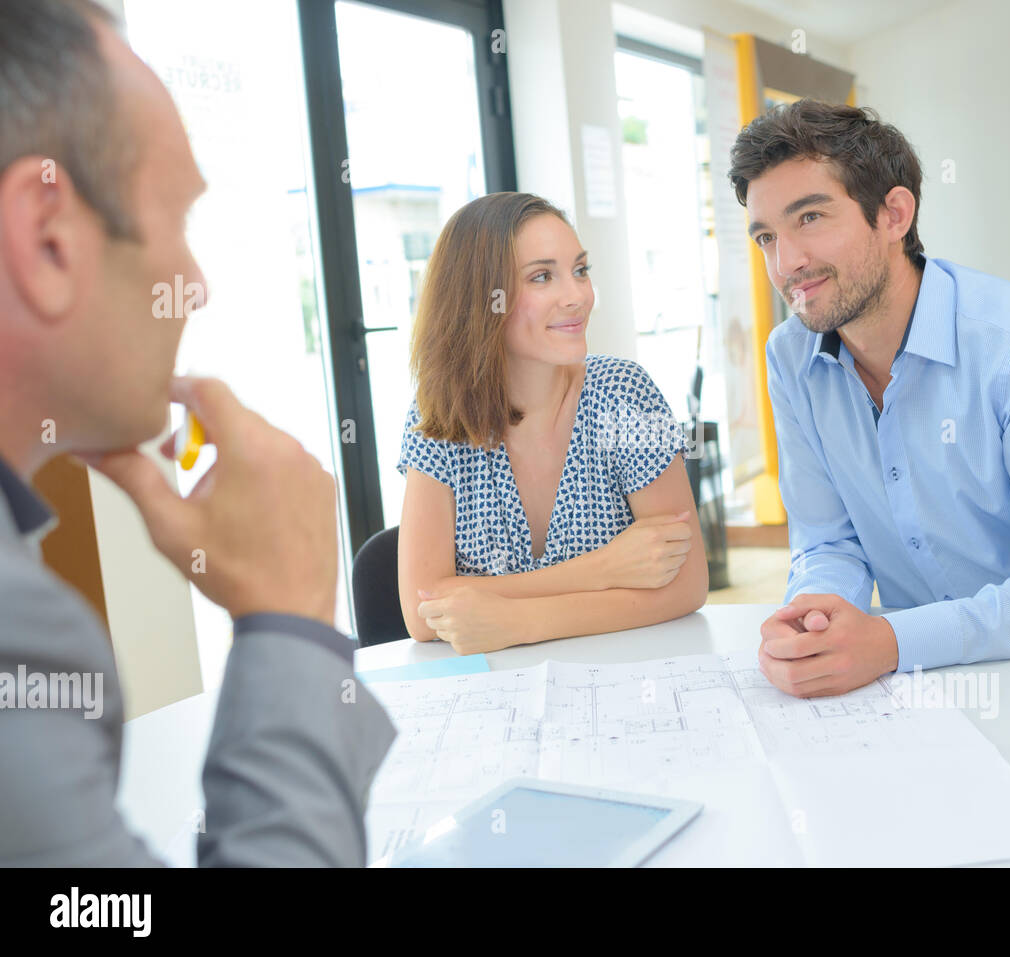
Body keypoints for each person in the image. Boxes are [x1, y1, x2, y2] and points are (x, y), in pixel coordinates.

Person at [0, 0, 394, 865]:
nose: (198, 284)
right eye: (177, 220)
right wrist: (288, 614)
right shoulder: (17, 626)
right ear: (47, 239)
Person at [727, 99, 1010, 698]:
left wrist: (891, 642)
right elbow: (827, 541)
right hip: (944, 685)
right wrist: (816, 620)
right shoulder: (791, 358)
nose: (787, 264)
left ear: (894, 214)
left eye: (809, 218)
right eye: (765, 236)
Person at [396, 192, 708, 652]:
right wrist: (603, 569)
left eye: (580, 271)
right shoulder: (436, 417)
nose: (577, 296)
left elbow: (687, 584)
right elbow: (423, 612)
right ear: (482, 297)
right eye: (542, 277)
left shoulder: (626, 393)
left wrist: (518, 621)